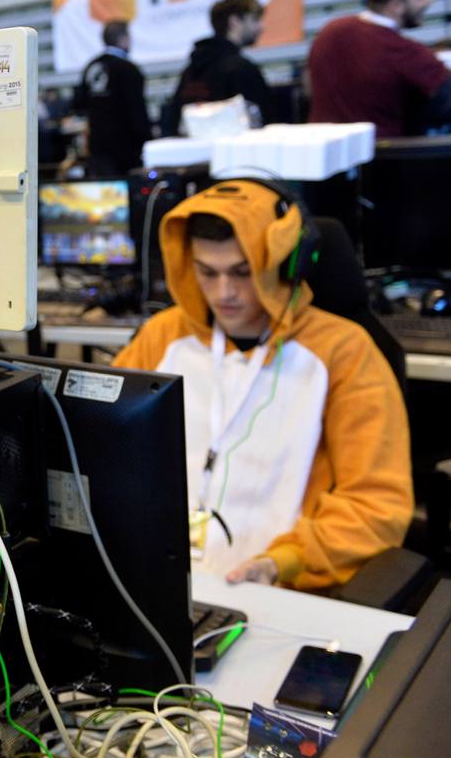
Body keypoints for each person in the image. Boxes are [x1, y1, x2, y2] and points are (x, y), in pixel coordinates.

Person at [113, 180, 412, 591]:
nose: (225, 293)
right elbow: (102, 448)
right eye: (207, 272)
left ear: (286, 264)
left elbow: (377, 506)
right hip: (151, 578)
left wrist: (283, 561)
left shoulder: (343, 351)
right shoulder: (163, 336)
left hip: (282, 588)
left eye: (243, 272)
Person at [308, 0, 451, 138]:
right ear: (396, 5)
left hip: (325, 154)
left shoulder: (330, 30)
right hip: (384, 156)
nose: (428, 2)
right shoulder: (399, 49)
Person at [161, 0, 273, 136]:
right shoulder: (241, 69)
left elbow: (174, 121)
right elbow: (264, 124)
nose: (261, 27)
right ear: (234, 21)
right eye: (255, 20)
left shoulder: (190, 70)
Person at [73, 20, 152, 176]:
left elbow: (79, 103)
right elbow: (137, 110)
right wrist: (146, 140)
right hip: (126, 147)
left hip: (98, 146)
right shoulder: (128, 69)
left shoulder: (91, 67)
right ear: (123, 38)